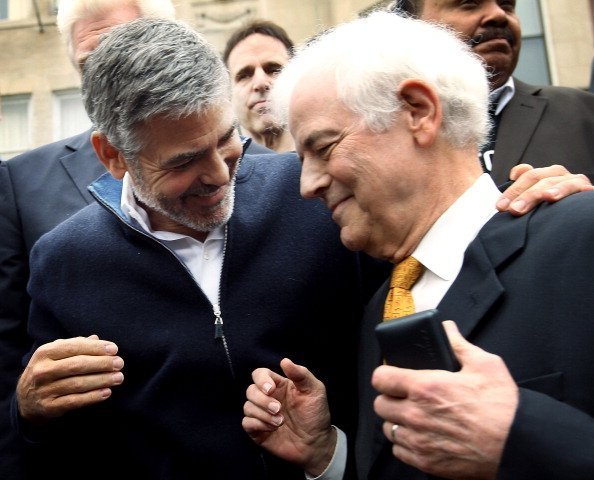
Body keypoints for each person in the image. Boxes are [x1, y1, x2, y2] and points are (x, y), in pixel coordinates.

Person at [8, 17, 392, 480]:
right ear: (112, 155)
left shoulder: (313, 198)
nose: (219, 173)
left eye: (227, 138)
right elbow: (62, 453)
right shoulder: (65, 263)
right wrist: (29, 414)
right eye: (184, 161)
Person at [241, 11, 594, 480]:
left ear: (418, 112)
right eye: (301, 158)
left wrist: (519, 435)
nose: (306, 185)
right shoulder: (382, 312)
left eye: (324, 148)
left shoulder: (579, 239)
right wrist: (327, 454)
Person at [0, 2, 179, 477]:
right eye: (87, 63)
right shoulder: (21, 185)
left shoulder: (244, 166)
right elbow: (6, 367)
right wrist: (25, 407)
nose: (106, 74)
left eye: (121, 48)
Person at [388, 0, 594, 185]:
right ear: (410, 25)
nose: (499, 14)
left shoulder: (583, 113)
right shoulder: (375, 131)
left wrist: (581, 206)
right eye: (469, 3)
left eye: (507, 5)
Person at [223, 19, 296, 152]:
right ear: (229, 95)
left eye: (274, 70)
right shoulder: (220, 170)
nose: (261, 83)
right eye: (244, 75)